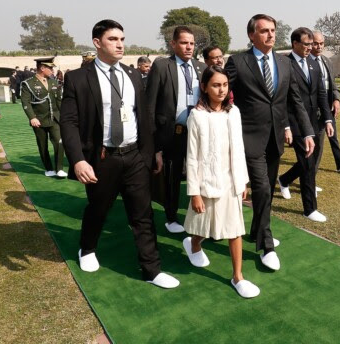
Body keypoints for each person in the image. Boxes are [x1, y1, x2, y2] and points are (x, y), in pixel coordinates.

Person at [59, 19, 179, 289]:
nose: (120, 44)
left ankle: (151, 269)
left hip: (135, 155)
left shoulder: (133, 74)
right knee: (98, 208)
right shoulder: (78, 78)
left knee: (143, 213)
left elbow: (143, 117)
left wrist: (153, 151)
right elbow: (69, 122)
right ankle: (87, 248)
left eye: (122, 39)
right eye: (113, 39)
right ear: (97, 43)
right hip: (102, 157)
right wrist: (78, 159)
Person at [225, 14, 314, 271]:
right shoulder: (238, 62)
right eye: (264, 31)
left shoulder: (284, 64)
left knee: (266, 192)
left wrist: (307, 132)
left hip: (276, 139)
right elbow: (219, 89)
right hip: (249, 138)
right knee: (262, 189)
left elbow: (294, 100)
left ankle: (256, 231)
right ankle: (266, 245)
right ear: (252, 35)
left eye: (273, 30)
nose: (271, 35)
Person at [182, 66, 259, 298]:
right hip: (207, 182)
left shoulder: (233, 112)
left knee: (234, 229)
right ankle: (194, 243)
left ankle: (238, 276)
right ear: (204, 87)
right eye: (216, 85)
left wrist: (242, 181)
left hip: (231, 181)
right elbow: (192, 157)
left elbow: (239, 149)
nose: (221, 89)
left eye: (225, 84)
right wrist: (194, 192)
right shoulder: (196, 116)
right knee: (208, 227)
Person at [145, 26, 207, 234]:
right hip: (173, 134)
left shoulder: (200, 67)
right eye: (183, 43)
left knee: (198, 175)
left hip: (197, 133)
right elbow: (150, 106)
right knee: (171, 178)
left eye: (191, 43)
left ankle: (200, 215)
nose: (188, 47)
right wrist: (154, 144)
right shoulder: (163, 66)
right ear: (173, 44)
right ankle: (171, 217)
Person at [277, 28, 334, 222]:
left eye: (311, 44)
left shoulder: (313, 63)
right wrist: (285, 126)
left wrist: (328, 119)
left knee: (309, 160)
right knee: (308, 163)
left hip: (313, 121)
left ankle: (284, 179)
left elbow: (320, 94)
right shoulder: (284, 63)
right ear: (294, 44)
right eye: (306, 44)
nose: (310, 48)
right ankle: (309, 209)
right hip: (294, 123)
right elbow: (281, 98)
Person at [311, 31, 340, 173]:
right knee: (318, 144)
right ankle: (311, 178)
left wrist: (336, 99)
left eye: (321, 43)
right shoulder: (306, 62)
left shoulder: (326, 61)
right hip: (314, 109)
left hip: (329, 106)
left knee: (333, 136)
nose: (318, 46)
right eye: (315, 43)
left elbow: (333, 84)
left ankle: (339, 163)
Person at [21, 57, 67, 178]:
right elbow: (26, 102)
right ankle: (49, 168)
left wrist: (64, 116)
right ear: (42, 68)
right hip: (39, 120)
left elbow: (59, 101)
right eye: (50, 68)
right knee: (43, 145)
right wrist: (32, 117)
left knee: (59, 142)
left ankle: (59, 169)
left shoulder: (54, 82)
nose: (52, 70)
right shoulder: (28, 83)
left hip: (54, 118)